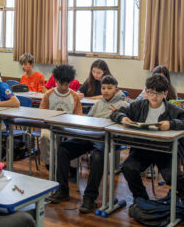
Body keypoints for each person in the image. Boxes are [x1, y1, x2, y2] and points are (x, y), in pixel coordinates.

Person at [111, 74, 184, 207]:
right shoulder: (138, 106)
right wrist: (123, 118)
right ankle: (141, 198)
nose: (154, 97)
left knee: (170, 175)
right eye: (151, 93)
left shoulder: (172, 109)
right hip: (142, 149)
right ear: (146, 91)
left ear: (165, 94)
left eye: (159, 93)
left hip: (165, 151)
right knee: (128, 168)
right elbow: (116, 113)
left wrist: (171, 124)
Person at [48, 74, 129, 212]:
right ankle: (62, 190)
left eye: (109, 88)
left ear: (116, 90)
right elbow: (89, 120)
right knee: (63, 148)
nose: (105, 91)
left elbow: (124, 124)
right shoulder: (98, 104)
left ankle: (89, 198)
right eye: (103, 88)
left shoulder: (123, 105)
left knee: (97, 156)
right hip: (89, 136)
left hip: (107, 139)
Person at [39, 64, 82, 166]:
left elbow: (78, 115)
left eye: (66, 85)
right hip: (50, 125)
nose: (63, 87)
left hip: (68, 126)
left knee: (77, 139)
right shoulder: (48, 94)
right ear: (56, 80)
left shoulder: (74, 96)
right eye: (60, 84)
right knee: (44, 136)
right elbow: (41, 113)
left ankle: (73, 166)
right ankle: (49, 163)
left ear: (70, 82)